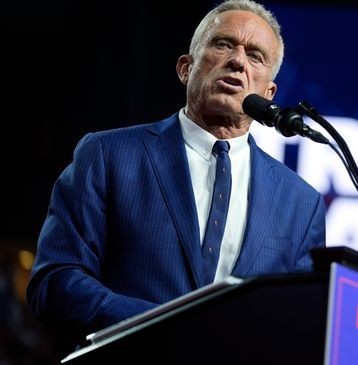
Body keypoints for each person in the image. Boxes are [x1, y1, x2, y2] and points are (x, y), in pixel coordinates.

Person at [25, 0, 326, 348]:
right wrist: (165, 328)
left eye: (255, 55)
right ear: (186, 68)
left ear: (269, 93)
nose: (238, 60)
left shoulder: (301, 202)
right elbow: (56, 281)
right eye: (223, 44)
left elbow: (297, 327)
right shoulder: (107, 155)